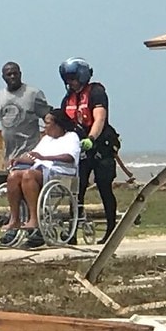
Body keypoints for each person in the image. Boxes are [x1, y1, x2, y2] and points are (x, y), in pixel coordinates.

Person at [58, 57, 120, 243]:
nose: (71, 82)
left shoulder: (97, 92)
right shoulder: (67, 99)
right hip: (81, 150)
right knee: (78, 190)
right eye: (67, 79)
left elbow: (99, 118)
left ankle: (111, 230)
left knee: (104, 186)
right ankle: (73, 233)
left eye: (73, 78)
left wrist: (91, 139)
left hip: (101, 146)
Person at [0, 109, 81, 247]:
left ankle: (34, 219)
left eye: (47, 123)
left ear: (57, 124)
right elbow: (35, 156)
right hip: (40, 170)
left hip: (59, 171)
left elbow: (69, 157)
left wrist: (45, 158)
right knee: (13, 176)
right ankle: (15, 218)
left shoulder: (71, 137)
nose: (45, 127)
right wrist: (20, 160)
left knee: (28, 175)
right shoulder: (46, 139)